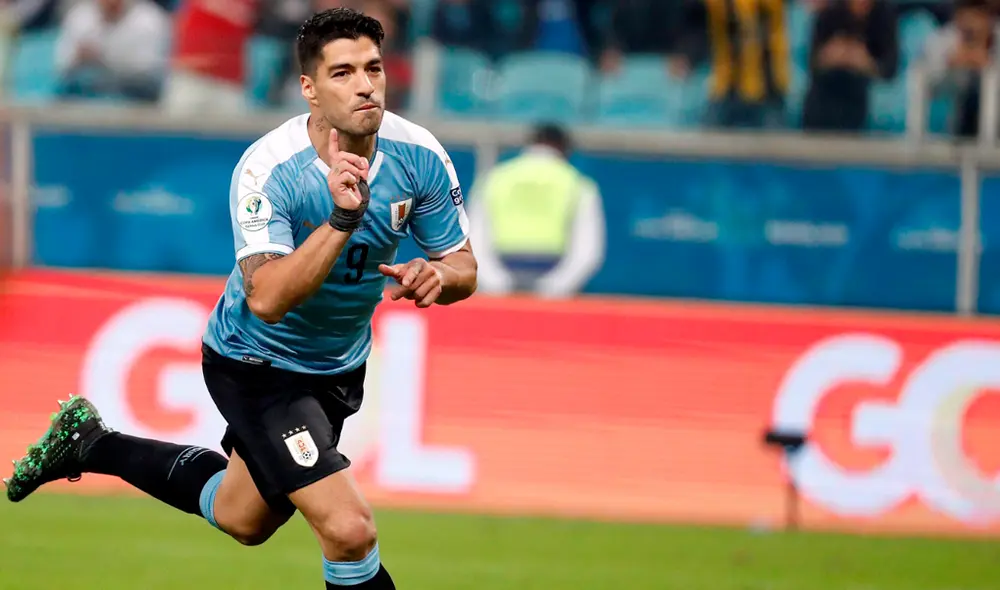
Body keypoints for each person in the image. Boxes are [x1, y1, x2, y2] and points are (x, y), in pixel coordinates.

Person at [4, 7, 478, 590]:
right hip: (256, 363)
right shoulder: (269, 169)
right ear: (308, 87)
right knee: (349, 528)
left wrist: (439, 276)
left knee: (242, 516)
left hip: (338, 366)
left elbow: (464, 266)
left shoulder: (420, 155)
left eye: (373, 68)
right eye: (343, 72)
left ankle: (89, 443)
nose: (364, 84)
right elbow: (267, 299)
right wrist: (341, 220)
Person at [468, 124, 604, 298]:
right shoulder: (578, 184)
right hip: (554, 273)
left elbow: (472, 239)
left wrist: (495, 284)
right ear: (565, 149)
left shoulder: (494, 179)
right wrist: (556, 288)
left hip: (499, 274)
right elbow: (587, 250)